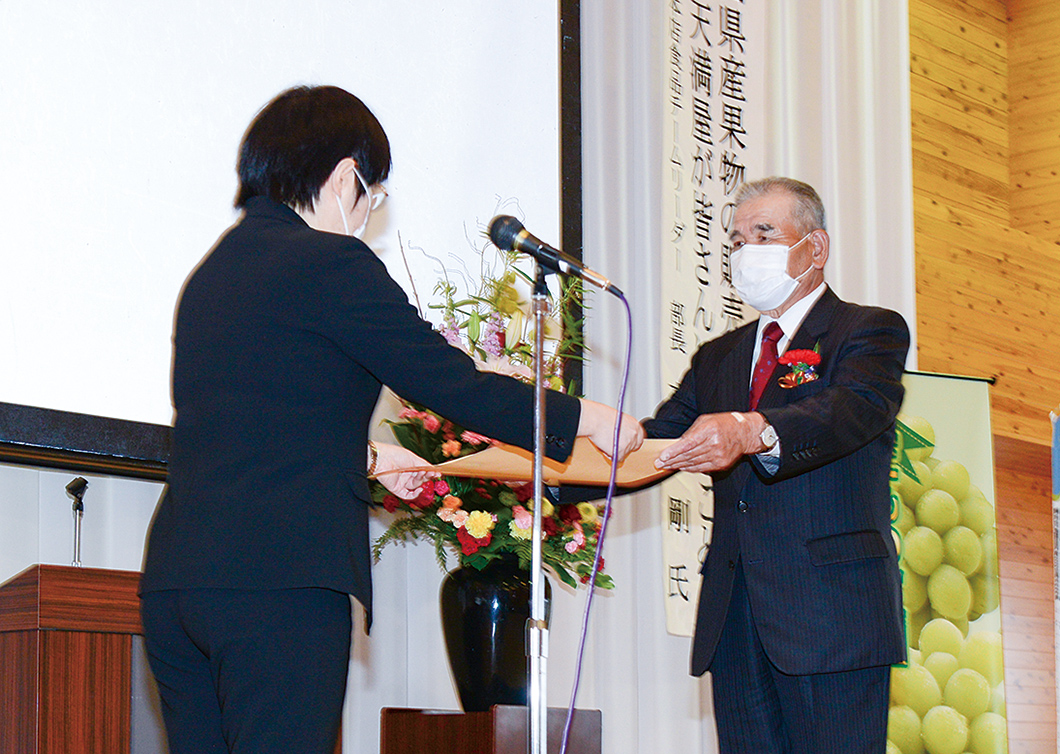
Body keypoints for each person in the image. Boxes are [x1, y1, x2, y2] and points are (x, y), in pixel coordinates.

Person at [139, 85, 643, 754]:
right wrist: (586, 416)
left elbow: (254, 423)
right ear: (348, 174)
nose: (370, 211)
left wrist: (371, 460)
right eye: (372, 194)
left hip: (177, 581)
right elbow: (450, 383)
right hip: (280, 582)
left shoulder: (212, 274)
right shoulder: (333, 263)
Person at [650, 177, 909, 753]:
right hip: (736, 618)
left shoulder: (868, 330)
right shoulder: (719, 357)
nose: (745, 252)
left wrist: (751, 430)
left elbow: (850, 410)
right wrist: (557, 457)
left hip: (832, 613)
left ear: (814, 248)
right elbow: (659, 443)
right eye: (736, 241)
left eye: (763, 233)